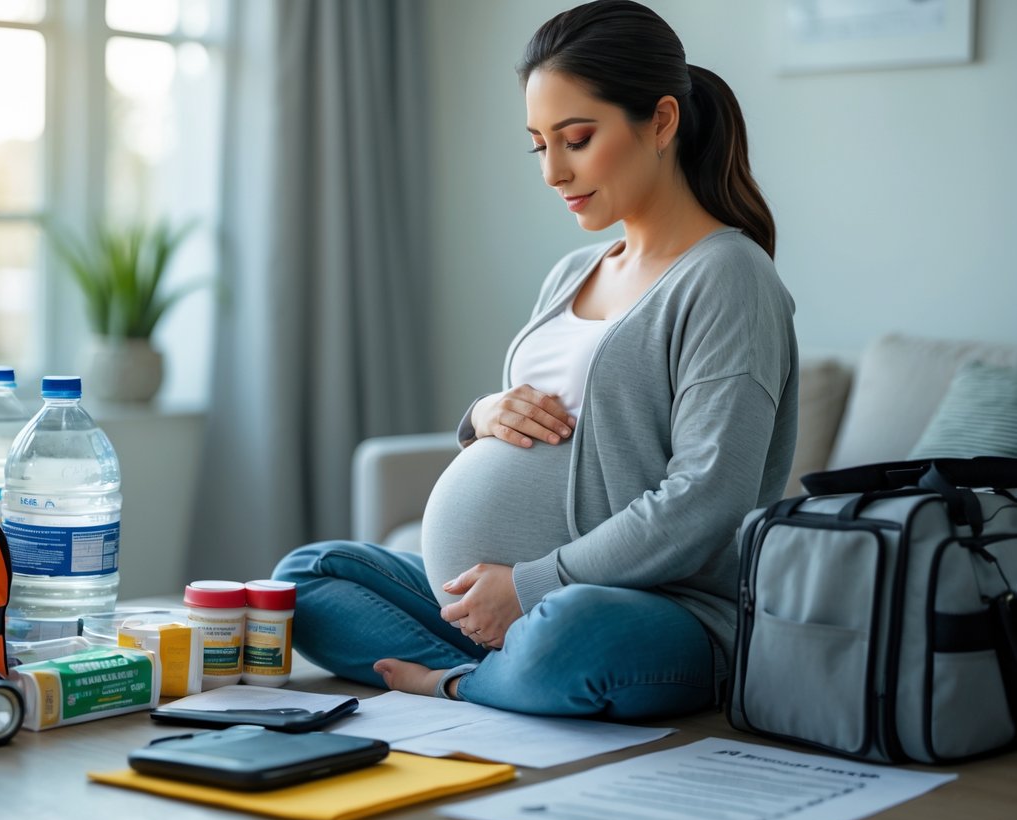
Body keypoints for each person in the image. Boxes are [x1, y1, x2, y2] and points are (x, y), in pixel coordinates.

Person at [272, 0, 797, 719]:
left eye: (575, 139)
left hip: (647, 610)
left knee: (571, 637)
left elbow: (708, 497)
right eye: (537, 144)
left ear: (663, 122)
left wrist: (530, 586)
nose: (552, 171)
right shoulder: (572, 272)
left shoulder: (727, 276)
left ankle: (463, 683)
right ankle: (512, 673)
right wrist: (481, 415)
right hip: (497, 603)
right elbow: (530, 427)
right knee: (305, 578)